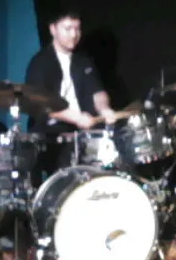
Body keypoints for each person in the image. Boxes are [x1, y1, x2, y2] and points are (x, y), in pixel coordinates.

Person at [25, 9, 117, 177]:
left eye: (77, 29)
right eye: (68, 29)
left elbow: (97, 92)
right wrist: (76, 118)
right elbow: (43, 104)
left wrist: (104, 109)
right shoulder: (40, 63)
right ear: (53, 29)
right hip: (52, 133)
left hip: (84, 129)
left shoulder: (83, 61)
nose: (74, 35)